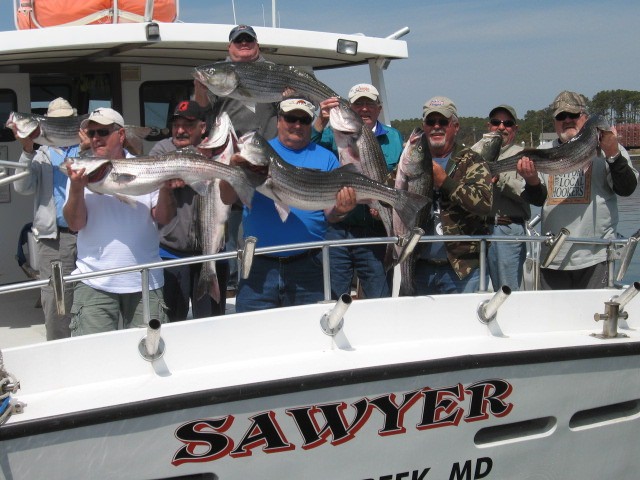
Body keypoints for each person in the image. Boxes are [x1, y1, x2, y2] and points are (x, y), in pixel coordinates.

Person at [220, 95, 357, 312]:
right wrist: (232, 170)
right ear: (278, 120)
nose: (297, 125)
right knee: (253, 335)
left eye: (304, 120)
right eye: (290, 118)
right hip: (258, 266)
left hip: (309, 265)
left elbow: (331, 215)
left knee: (309, 335)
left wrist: (341, 210)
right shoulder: (255, 155)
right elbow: (227, 198)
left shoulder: (327, 158)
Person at [63, 107, 175, 336]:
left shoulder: (147, 166)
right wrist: (76, 188)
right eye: (91, 132)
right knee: (94, 356)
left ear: (121, 135)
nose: (95, 138)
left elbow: (163, 218)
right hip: (94, 281)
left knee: (149, 355)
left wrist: (165, 186)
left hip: (146, 280)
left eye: (102, 132)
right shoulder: (82, 169)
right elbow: (75, 224)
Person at [517, 91, 638, 290]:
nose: (567, 121)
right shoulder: (543, 150)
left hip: (595, 256)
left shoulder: (610, 148)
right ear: (554, 122)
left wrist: (613, 154)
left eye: (573, 115)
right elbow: (537, 200)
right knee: (555, 318)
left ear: (585, 118)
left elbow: (626, 189)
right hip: (553, 255)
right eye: (560, 117)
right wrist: (531, 180)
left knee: (594, 316)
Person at [195, 24, 279, 294]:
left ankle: (269, 271)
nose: (244, 43)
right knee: (229, 222)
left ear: (257, 45)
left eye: (249, 40)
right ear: (229, 48)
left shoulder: (272, 71)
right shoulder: (220, 72)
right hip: (229, 158)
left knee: (268, 216)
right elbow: (203, 107)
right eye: (238, 41)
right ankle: (232, 281)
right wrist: (201, 84)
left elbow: (289, 112)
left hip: (266, 161)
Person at [311, 83, 404, 299]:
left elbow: (399, 179)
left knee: (378, 296)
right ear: (350, 109)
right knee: (334, 296)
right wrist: (320, 119)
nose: (364, 109)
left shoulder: (393, 137)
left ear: (378, 108)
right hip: (338, 227)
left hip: (376, 229)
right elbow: (308, 147)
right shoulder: (331, 133)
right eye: (358, 104)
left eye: (369, 104)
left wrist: (384, 206)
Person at [12, 97, 89, 340]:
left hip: (91, 233)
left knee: (92, 296)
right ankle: (59, 351)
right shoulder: (40, 154)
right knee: (57, 302)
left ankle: (90, 348)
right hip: (55, 238)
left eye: (66, 122)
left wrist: (88, 150)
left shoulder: (86, 148)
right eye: (57, 122)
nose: (61, 125)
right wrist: (26, 148)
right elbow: (22, 187)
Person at [150, 100, 228, 320]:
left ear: (203, 128)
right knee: (172, 323)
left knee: (211, 323)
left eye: (188, 125)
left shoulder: (219, 150)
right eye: (176, 125)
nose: (181, 130)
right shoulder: (163, 149)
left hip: (212, 254)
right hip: (171, 256)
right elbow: (164, 167)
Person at [415, 96, 493, 294]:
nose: (436, 127)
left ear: (455, 126)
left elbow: (484, 202)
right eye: (431, 122)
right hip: (419, 267)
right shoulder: (412, 160)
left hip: (462, 270)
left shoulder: (471, 161)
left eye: (443, 122)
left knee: (464, 324)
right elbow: (392, 190)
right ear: (424, 126)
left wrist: (445, 183)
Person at [485, 105, 543, 292]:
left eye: (507, 123)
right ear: (489, 126)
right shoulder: (478, 152)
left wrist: (499, 178)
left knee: (506, 292)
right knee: (475, 292)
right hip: (478, 230)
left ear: (515, 129)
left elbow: (529, 194)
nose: (501, 127)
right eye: (496, 122)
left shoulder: (525, 157)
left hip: (508, 230)